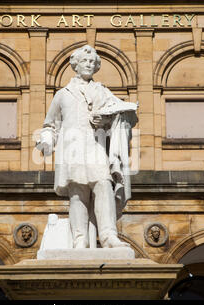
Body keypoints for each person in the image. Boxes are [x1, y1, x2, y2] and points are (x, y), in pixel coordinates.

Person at [37, 45, 138, 249]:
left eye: (92, 62)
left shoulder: (103, 92)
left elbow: (128, 115)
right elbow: (50, 124)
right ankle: (79, 238)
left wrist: (107, 121)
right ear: (75, 65)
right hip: (72, 149)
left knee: (103, 185)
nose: (89, 65)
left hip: (96, 146)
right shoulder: (62, 94)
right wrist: (46, 141)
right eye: (85, 61)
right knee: (77, 192)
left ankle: (109, 235)